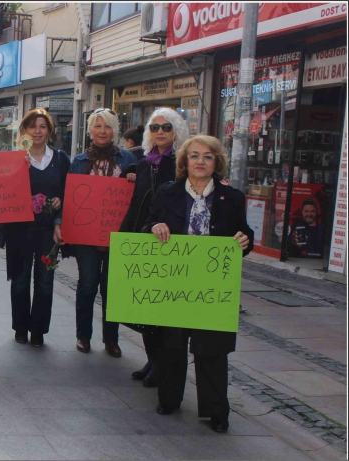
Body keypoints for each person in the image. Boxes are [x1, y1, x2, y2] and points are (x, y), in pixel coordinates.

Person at [144, 135, 253, 433]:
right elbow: (146, 225)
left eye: (207, 156)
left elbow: (244, 234)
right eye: (194, 156)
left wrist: (245, 241)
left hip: (212, 286)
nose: (200, 162)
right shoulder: (167, 193)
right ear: (184, 162)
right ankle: (168, 399)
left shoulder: (232, 198)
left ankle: (216, 411)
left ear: (216, 162)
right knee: (172, 345)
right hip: (174, 282)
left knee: (212, 350)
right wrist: (155, 226)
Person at [53, 108, 138, 358]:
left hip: (116, 236)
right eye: (98, 126)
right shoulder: (78, 162)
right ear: (90, 130)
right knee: (88, 284)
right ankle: (83, 335)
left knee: (112, 288)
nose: (102, 131)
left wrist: (135, 178)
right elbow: (69, 198)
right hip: (86, 237)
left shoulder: (128, 160)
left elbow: (137, 197)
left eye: (108, 126)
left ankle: (111, 339)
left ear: (115, 131)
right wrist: (61, 223)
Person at [120, 108, 190, 386]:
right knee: (145, 308)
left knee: (163, 309)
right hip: (143, 237)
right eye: (154, 127)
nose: (160, 132)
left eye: (166, 127)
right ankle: (152, 359)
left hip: (169, 242)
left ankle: (163, 364)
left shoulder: (181, 162)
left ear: (177, 131)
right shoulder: (145, 162)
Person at [4, 109, 70, 347]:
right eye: (32, 126)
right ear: (25, 130)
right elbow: (6, 194)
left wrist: (59, 207)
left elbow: (69, 192)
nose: (37, 131)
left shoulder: (61, 159)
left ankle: (39, 329)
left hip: (48, 232)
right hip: (21, 230)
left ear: (49, 130)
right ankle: (21, 327)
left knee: (45, 280)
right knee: (20, 279)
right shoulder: (17, 159)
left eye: (42, 126)